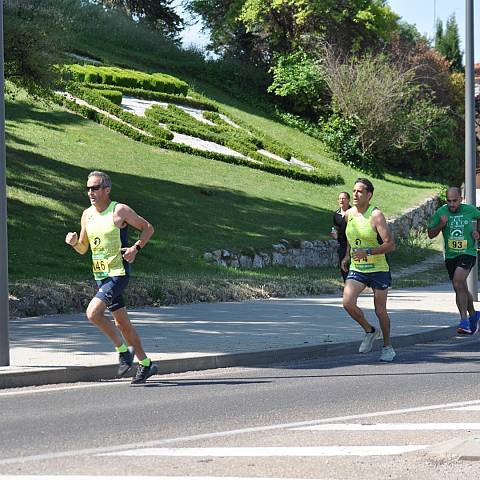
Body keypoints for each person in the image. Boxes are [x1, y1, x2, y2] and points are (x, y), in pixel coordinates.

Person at [65, 171, 157, 385]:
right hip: (101, 276)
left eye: (95, 188)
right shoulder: (87, 214)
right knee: (122, 323)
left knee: (92, 313)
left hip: (118, 273)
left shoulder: (119, 210)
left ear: (107, 190)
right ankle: (146, 364)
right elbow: (83, 249)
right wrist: (73, 243)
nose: (90, 192)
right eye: (88, 188)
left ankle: (123, 352)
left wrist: (136, 248)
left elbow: (148, 228)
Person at [341, 178, 396, 362]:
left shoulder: (376, 215)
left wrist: (368, 251)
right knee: (347, 302)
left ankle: (387, 346)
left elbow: (390, 245)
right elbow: (351, 236)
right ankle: (370, 330)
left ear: (369, 195)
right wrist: (347, 255)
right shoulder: (348, 214)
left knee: (380, 310)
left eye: (359, 192)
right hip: (358, 268)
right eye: (354, 191)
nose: (355, 195)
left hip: (378, 268)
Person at [427, 186, 480, 335]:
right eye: (449, 201)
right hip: (451, 256)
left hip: (468, 253)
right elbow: (430, 234)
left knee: (458, 282)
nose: (452, 204)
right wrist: (441, 225)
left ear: (461, 199)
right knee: (460, 286)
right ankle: (474, 315)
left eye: (455, 201)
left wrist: (478, 232)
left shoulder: (469, 209)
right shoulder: (441, 213)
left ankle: (464, 322)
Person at [331, 191, 352, 282]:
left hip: (354, 243)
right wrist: (334, 232)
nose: (341, 200)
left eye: (343, 198)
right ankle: (347, 286)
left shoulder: (353, 212)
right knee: (343, 265)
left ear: (348, 200)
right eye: (340, 198)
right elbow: (335, 227)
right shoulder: (336, 214)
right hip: (342, 243)